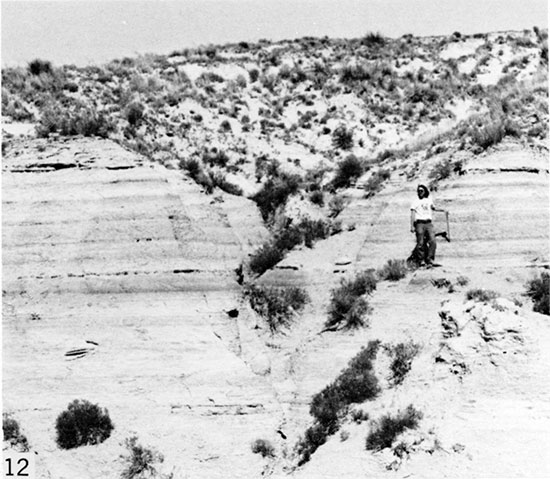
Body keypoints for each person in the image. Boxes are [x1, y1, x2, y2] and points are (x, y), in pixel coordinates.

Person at [410, 184, 446, 267]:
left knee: (433, 241)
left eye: (421, 191)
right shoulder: (415, 201)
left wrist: (443, 210)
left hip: (428, 223)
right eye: (418, 191)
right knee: (420, 242)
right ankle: (421, 260)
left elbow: (434, 208)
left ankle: (430, 259)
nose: (420, 192)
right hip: (419, 223)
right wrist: (412, 226)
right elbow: (412, 214)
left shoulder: (429, 200)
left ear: (425, 191)